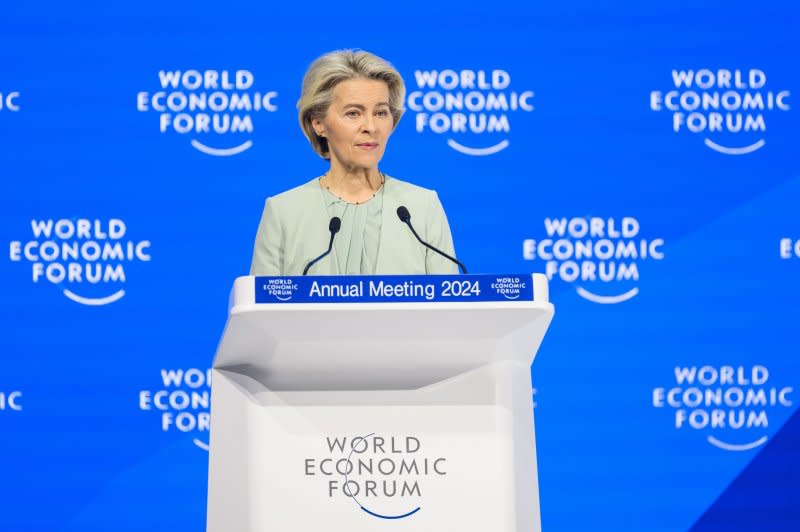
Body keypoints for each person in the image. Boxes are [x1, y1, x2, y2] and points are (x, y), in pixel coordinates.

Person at [249, 49, 459, 276]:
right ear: (318, 123)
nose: (371, 126)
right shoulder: (283, 212)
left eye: (380, 113)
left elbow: (447, 308)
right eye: (353, 113)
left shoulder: (421, 208)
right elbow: (259, 309)